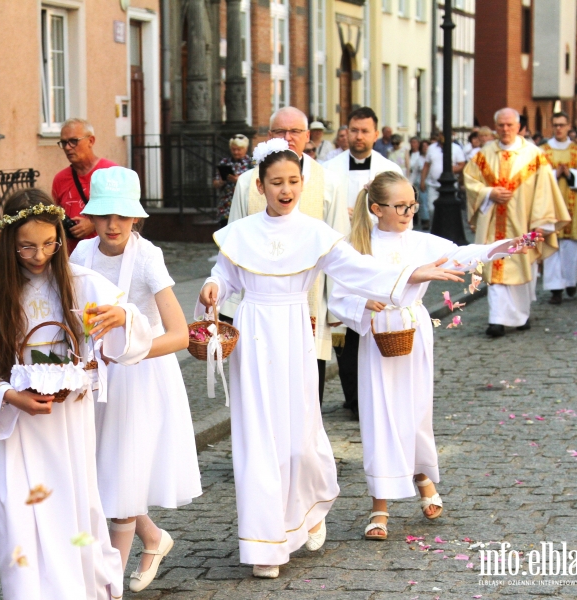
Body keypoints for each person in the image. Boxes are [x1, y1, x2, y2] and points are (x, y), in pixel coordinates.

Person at [196, 139, 467, 579]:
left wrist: (412, 273)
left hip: (293, 332)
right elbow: (225, 276)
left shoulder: (317, 234)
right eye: (276, 182)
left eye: (293, 181)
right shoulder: (241, 234)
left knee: (299, 436)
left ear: (303, 183)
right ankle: (266, 544)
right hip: (253, 335)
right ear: (260, 187)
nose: (286, 190)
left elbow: (363, 271)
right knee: (256, 439)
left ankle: (310, 504)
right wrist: (212, 286)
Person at [0, 189, 153, 599]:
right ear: (9, 242)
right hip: (22, 428)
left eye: (49, 244)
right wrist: (10, 396)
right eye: (26, 246)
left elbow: (132, 340)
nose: (39, 255)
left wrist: (122, 317)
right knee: (22, 514)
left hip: (70, 421)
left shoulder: (81, 282)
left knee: (74, 506)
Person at [329, 171, 533, 541]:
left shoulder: (419, 240)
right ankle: (380, 505)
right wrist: (362, 301)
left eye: (412, 203)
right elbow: (337, 296)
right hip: (377, 336)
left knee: (416, 411)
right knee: (379, 416)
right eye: (401, 205)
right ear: (376, 208)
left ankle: (422, 476)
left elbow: (457, 254)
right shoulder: (357, 245)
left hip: (414, 331)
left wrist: (503, 246)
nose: (409, 211)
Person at [71, 167, 202, 593]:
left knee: (123, 475)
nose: (112, 225)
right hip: (93, 377)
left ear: (136, 219)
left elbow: (180, 334)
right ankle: (153, 536)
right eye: (104, 214)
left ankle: (109, 587)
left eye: (122, 216)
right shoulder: (79, 256)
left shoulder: (148, 258)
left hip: (139, 378)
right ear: (92, 215)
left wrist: (133, 349)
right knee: (101, 475)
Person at [226, 106, 350, 404]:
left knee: (305, 394)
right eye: (280, 131)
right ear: (269, 136)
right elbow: (232, 247)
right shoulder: (248, 182)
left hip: (308, 303)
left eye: (295, 131)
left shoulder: (328, 182)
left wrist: (337, 310)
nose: (287, 137)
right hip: (258, 308)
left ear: (308, 137)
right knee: (262, 391)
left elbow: (340, 247)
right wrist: (228, 307)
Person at [322, 107, 402, 416]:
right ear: (347, 131)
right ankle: (353, 398)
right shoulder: (327, 170)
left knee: (374, 325)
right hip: (341, 259)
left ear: (376, 134)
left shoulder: (389, 170)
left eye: (365, 131)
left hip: (376, 260)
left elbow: (401, 211)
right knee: (345, 330)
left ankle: (376, 396)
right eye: (354, 130)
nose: (358, 136)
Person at [463, 107, 570, 337]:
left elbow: (544, 191)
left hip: (523, 223)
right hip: (494, 224)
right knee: (494, 266)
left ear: (518, 126)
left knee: (523, 268)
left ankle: (521, 315)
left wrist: (541, 222)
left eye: (509, 125)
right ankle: (497, 320)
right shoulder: (484, 154)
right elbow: (470, 180)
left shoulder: (533, 155)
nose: (505, 129)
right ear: (495, 127)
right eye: (500, 125)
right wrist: (489, 193)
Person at [539, 112, 577, 304]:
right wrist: (555, 173)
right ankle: (555, 290)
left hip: (573, 205)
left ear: (568, 125)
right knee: (552, 247)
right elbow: (534, 176)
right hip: (549, 206)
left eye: (562, 124)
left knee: (573, 247)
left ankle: (571, 281)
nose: (559, 128)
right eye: (555, 125)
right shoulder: (542, 151)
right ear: (551, 126)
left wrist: (570, 175)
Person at [51, 118, 117, 253]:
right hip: (71, 256)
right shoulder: (60, 179)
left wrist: (93, 224)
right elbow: (55, 214)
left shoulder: (111, 172)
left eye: (73, 141)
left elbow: (124, 212)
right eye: (64, 143)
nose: (68, 147)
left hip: (104, 254)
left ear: (91, 141)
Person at [420, 130, 466, 221]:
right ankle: (435, 228)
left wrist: (453, 169)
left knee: (448, 209)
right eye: (441, 135)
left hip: (450, 185)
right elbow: (426, 165)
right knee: (431, 208)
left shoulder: (456, 148)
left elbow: (462, 165)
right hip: (433, 184)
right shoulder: (432, 148)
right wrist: (422, 180)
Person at [213, 134, 254, 227]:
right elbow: (215, 182)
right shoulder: (224, 162)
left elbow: (257, 184)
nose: (236, 152)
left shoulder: (251, 163)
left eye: (239, 149)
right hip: (226, 206)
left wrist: (239, 180)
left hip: (244, 205)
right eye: (233, 149)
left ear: (245, 148)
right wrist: (221, 182)